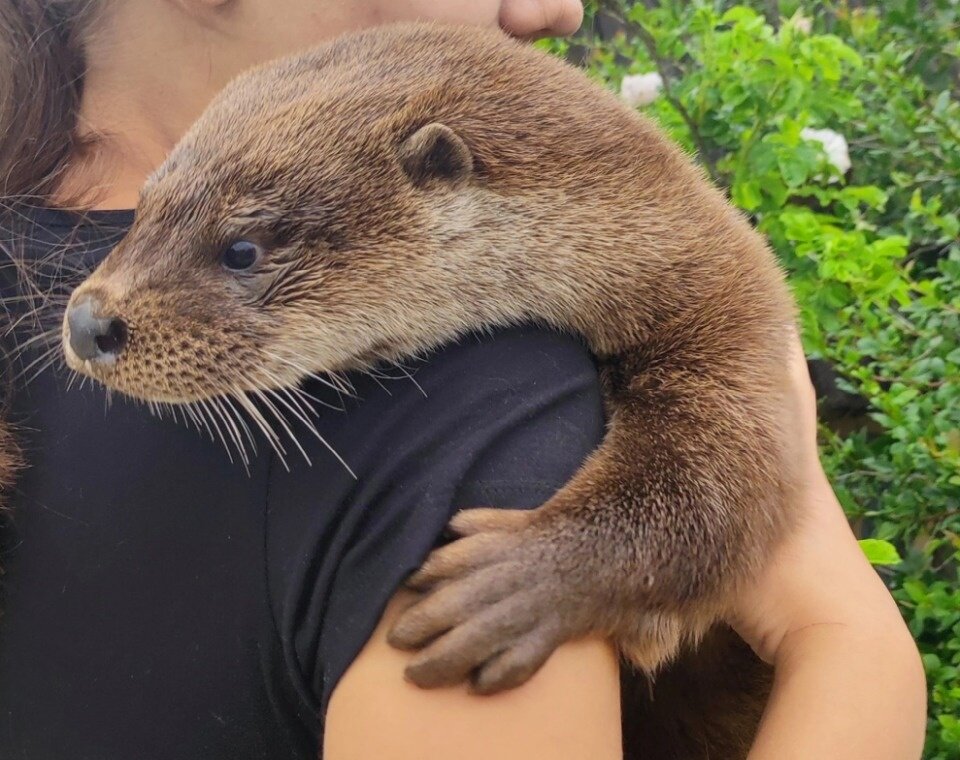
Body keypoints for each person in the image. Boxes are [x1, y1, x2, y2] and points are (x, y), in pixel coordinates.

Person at [0, 1, 925, 759]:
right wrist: (846, 634)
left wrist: (661, 518)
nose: (557, 11)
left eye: (238, 253)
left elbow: (710, 324)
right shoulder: (487, 411)